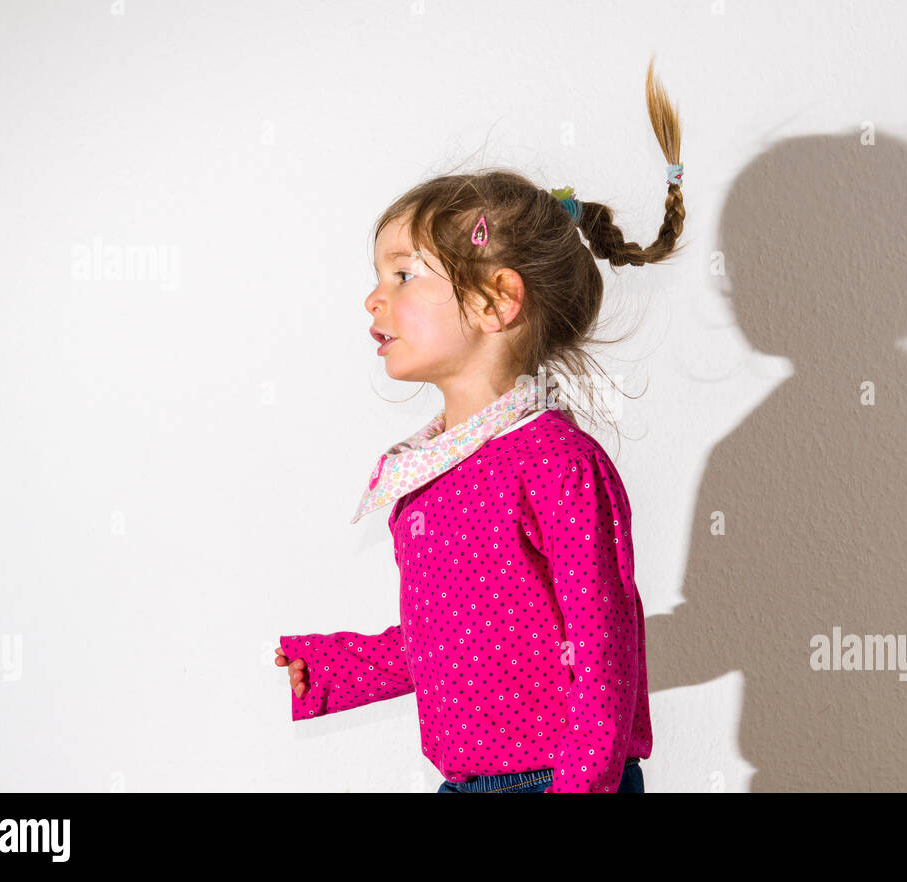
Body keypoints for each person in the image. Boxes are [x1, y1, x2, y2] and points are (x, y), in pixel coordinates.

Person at [274, 55, 687, 793]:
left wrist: (581, 785)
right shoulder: (429, 474)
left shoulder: (557, 463)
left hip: (558, 780)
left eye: (403, 275)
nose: (374, 299)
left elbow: (605, 643)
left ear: (498, 301)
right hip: (465, 781)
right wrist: (334, 668)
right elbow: (453, 642)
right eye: (376, 277)